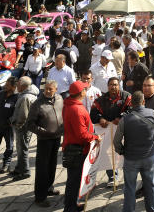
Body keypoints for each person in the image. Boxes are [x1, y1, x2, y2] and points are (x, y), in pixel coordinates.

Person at [115, 90, 154, 212]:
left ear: (131, 103)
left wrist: (122, 151)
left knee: (130, 188)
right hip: (149, 157)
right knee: (151, 185)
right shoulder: (153, 114)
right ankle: (153, 209)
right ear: (143, 101)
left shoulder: (124, 120)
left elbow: (116, 141)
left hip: (131, 159)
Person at [27, 79, 64, 208]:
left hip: (57, 138)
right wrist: (43, 132)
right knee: (42, 168)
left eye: (50, 89)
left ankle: (49, 187)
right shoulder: (37, 104)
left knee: (52, 165)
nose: (47, 91)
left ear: (56, 90)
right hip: (44, 140)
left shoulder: (60, 99)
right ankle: (40, 197)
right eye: (46, 89)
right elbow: (30, 124)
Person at [62, 80, 99, 212]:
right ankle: (70, 208)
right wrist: (95, 137)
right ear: (80, 93)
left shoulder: (68, 105)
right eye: (84, 89)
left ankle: (72, 204)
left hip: (72, 147)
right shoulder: (77, 109)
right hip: (77, 150)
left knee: (74, 180)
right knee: (74, 181)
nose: (86, 91)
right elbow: (82, 134)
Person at [10, 76, 40, 181]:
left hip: (23, 127)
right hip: (25, 126)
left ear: (23, 86)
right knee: (20, 148)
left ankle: (25, 171)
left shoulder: (25, 97)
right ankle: (19, 168)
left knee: (22, 149)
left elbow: (23, 115)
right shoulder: (27, 94)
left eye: (18, 84)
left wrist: (17, 124)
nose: (16, 85)